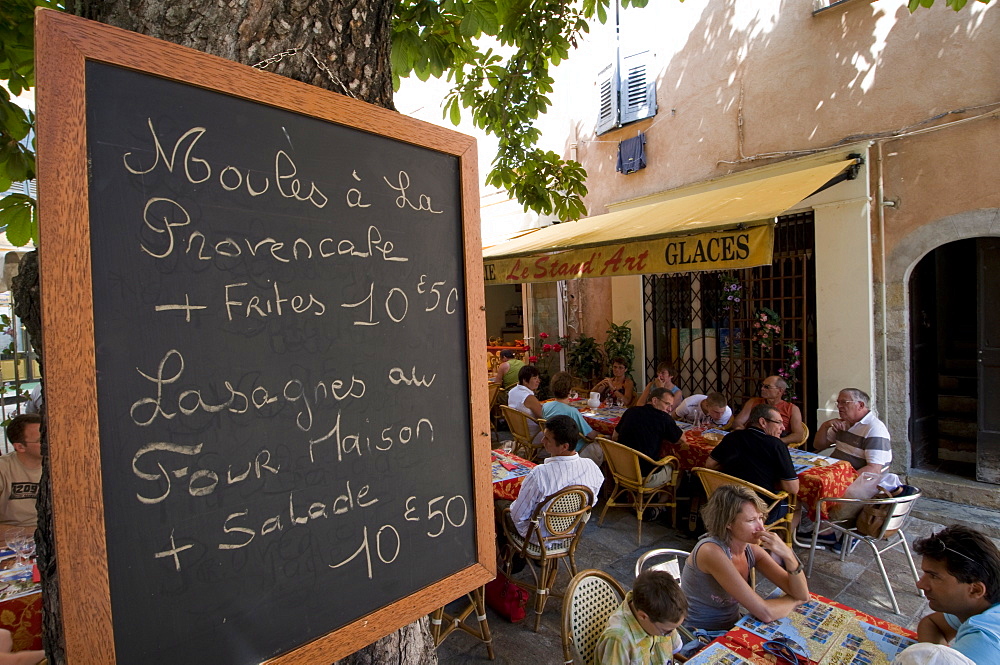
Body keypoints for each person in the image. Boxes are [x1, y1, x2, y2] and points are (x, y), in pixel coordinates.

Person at [680, 485, 808, 633]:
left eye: (761, 518)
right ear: (728, 523)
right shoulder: (711, 552)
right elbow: (766, 613)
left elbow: (802, 593)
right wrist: (796, 601)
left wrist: (788, 555)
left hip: (732, 626)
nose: (761, 528)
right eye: (751, 520)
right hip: (701, 636)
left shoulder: (750, 549)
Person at [912, 525, 1000, 663]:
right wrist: (937, 659)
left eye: (934, 576)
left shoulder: (985, 642)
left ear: (975, 590)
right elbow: (932, 624)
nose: (920, 584)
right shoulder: (978, 604)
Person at [507, 415, 604, 539]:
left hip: (537, 536)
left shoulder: (540, 473)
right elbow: (591, 502)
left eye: (547, 439)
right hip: (569, 533)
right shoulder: (592, 468)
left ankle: (508, 555)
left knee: (500, 507)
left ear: (564, 447)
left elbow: (518, 516)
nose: (542, 441)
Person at [705, 403, 798, 523]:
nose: (783, 428)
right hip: (760, 508)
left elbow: (710, 465)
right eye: (779, 422)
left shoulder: (732, 437)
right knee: (797, 505)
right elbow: (793, 488)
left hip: (728, 501)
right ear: (763, 422)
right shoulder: (776, 445)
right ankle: (775, 539)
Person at [594, 569, 688, 665]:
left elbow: (674, 650)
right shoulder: (619, 639)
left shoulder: (662, 617)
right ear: (643, 616)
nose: (670, 634)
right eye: (666, 631)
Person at [612, 387, 683, 486]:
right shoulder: (664, 418)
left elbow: (615, 437)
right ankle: (664, 500)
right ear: (654, 400)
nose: (670, 409)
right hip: (646, 477)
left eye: (671, 406)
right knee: (678, 466)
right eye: (667, 404)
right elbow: (681, 440)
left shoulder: (631, 411)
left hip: (620, 471)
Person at [814, 388, 890, 473]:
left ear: (860, 405)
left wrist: (843, 482)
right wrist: (825, 426)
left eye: (844, 402)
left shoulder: (874, 428)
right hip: (834, 472)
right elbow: (818, 446)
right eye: (838, 402)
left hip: (855, 480)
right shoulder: (844, 423)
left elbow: (874, 469)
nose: (839, 406)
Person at [731, 376, 804, 445]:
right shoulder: (753, 402)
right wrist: (743, 433)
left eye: (767, 387)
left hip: (775, 445)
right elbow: (738, 421)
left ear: (780, 391)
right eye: (762, 385)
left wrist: (776, 442)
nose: (762, 389)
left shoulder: (791, 408)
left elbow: (799, 435)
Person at [0, 414, 42, 534]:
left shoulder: (63, 466)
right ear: (20, 447)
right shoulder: (3, 469)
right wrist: (35, 532)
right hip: (15, 542)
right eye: (41, 440)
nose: (50, 442)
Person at [540, 371, 598, 452]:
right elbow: (590, 435)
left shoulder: (546, 406)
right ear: (570, 391)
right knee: (599, 446)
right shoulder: (572, 412)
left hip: (555, 444)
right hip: (574, 448)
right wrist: (602, 435)